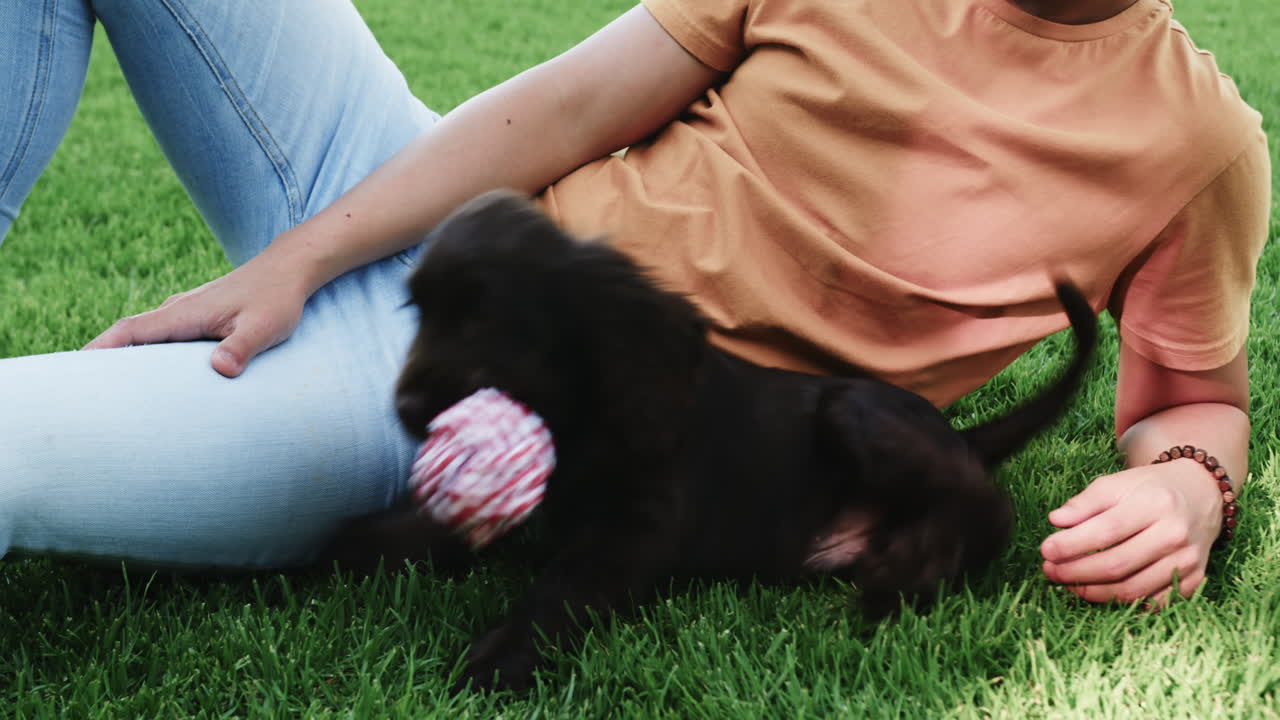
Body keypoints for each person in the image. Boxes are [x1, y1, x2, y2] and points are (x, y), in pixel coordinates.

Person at [0, 0, 1268, 606]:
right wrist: (300, 256)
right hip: (427, 193)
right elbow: (561, 108)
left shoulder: (1193, 141)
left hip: (446, 415)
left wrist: (1181, 491)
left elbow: (1193, 401)